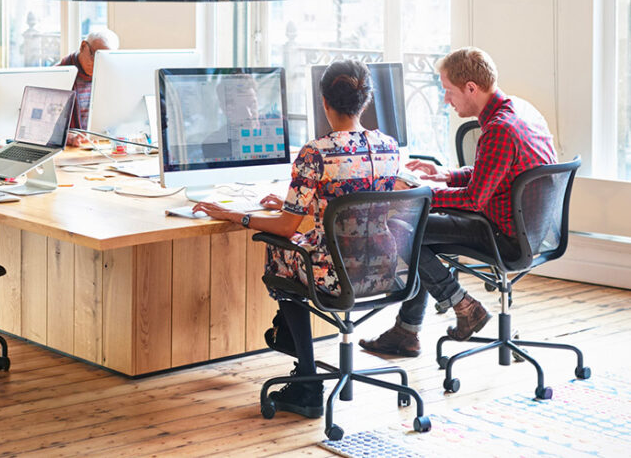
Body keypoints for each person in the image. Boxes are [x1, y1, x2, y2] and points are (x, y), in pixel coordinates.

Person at [192, 60, 401, 419]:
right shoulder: (389, 147)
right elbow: (348, 204)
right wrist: (292, 203)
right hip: (382, 267)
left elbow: (287, 229)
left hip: (332, 273)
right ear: (365, 102)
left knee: (280, 253)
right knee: (300, 247)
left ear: (324, 102)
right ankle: (290, 341)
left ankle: (306, 379)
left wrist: (234, 215)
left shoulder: (316, 152)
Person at [359, 47, 557, 358]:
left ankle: (463, 307)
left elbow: (475, 199)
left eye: (448, 92)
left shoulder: (500, 130)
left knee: (403, 229)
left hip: (504, 236)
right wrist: (445, 175)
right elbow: (496, 174)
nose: (446, 100)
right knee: (417, 232)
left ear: (471, 88)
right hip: (533, 231)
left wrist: (420, 195)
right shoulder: (520, 111)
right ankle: (407, 332)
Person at [55, 28, 119, 144]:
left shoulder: (109, 79)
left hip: (99, 145)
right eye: (95, 56)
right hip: (68, 150)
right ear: (83, 46)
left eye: (105, 59)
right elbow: (41, 127)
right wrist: (66, 136)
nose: (98, 63)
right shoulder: (57, 76)